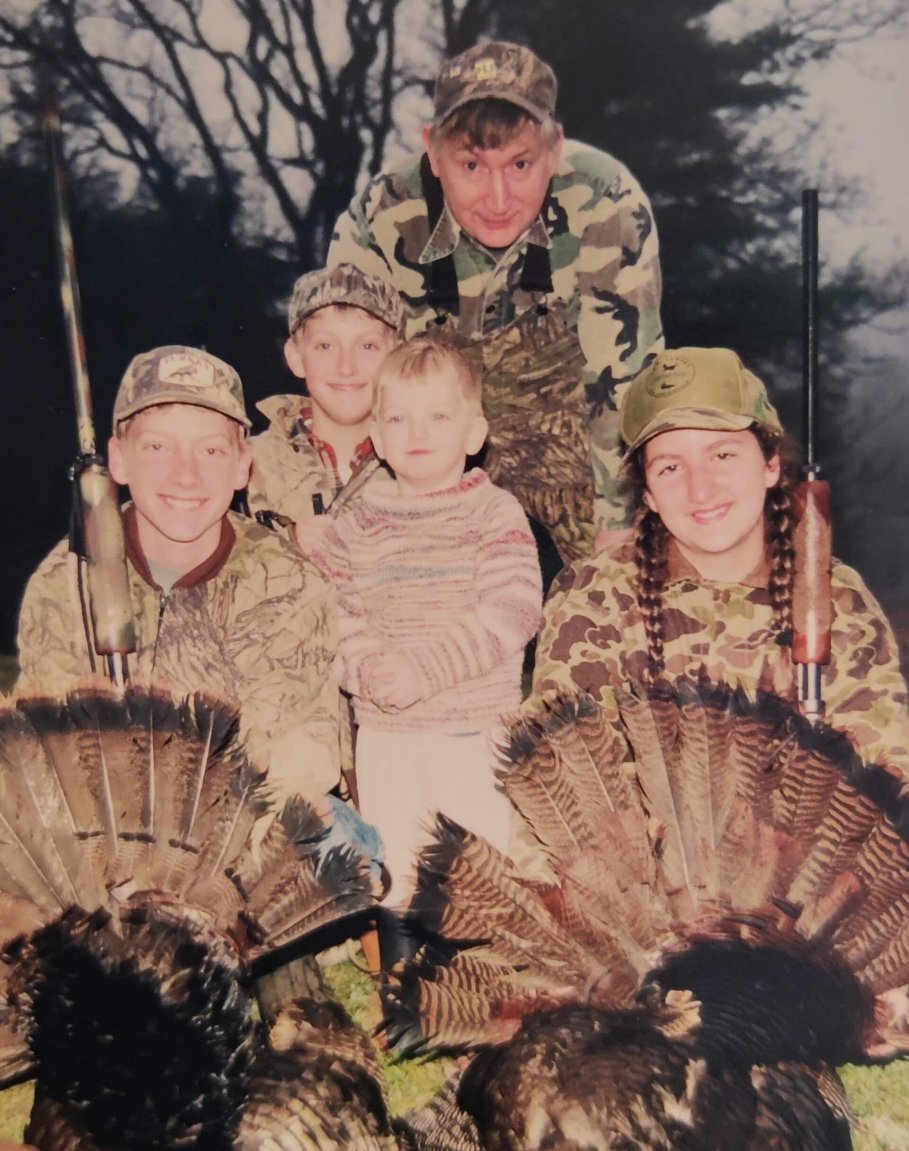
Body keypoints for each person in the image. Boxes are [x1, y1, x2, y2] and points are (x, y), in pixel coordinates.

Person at [328, 39, 664, 564]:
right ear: (433, 152)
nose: (499, 198)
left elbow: (624, 378)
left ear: (555, 149)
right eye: (472, 166)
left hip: (571, 457)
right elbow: (347, 378)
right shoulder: (384, 213)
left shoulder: (604, 200)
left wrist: (617, 530)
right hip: (423, 456)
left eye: (521, 164)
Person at [532, 346, 909, 780]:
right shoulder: (594, 598)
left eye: (722, 455)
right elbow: (560, 776)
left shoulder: (832, 595)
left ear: (770, 466)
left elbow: (885, 770)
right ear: (649, 495)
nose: (701, 489)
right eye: (671, 467)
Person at [17, 344, 342, 810]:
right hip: (102, 828)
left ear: (242, 465)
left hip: (236, 834)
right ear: (119, 459)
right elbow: (45, 754)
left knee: (349, 847)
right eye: (157, 446)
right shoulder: (65, 583)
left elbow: (298, 763)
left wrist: (205, 871)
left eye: (210, 450)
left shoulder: (291, 584)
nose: (185, 475)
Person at [311, 338, 543, 905]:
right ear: (379, 439)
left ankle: (482, 983)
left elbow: (513, 607)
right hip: (388, 739)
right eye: (398, 419)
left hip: (476, 733)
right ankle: (403, 983)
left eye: (438, 416)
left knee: (480, 885)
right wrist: (366, 669)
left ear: (473, 434)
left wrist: (424, 669)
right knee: (397, 883)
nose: (417, 434)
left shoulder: (496, 512)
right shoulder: (355, 525)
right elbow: (335, 614)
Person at [247, 264, 403, 556]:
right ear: (295, 357)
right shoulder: (250, 464)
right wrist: (289, 542)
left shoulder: (426, 458)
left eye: (367, 346)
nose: (346, 367)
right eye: (325, 346)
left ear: (396, 356)